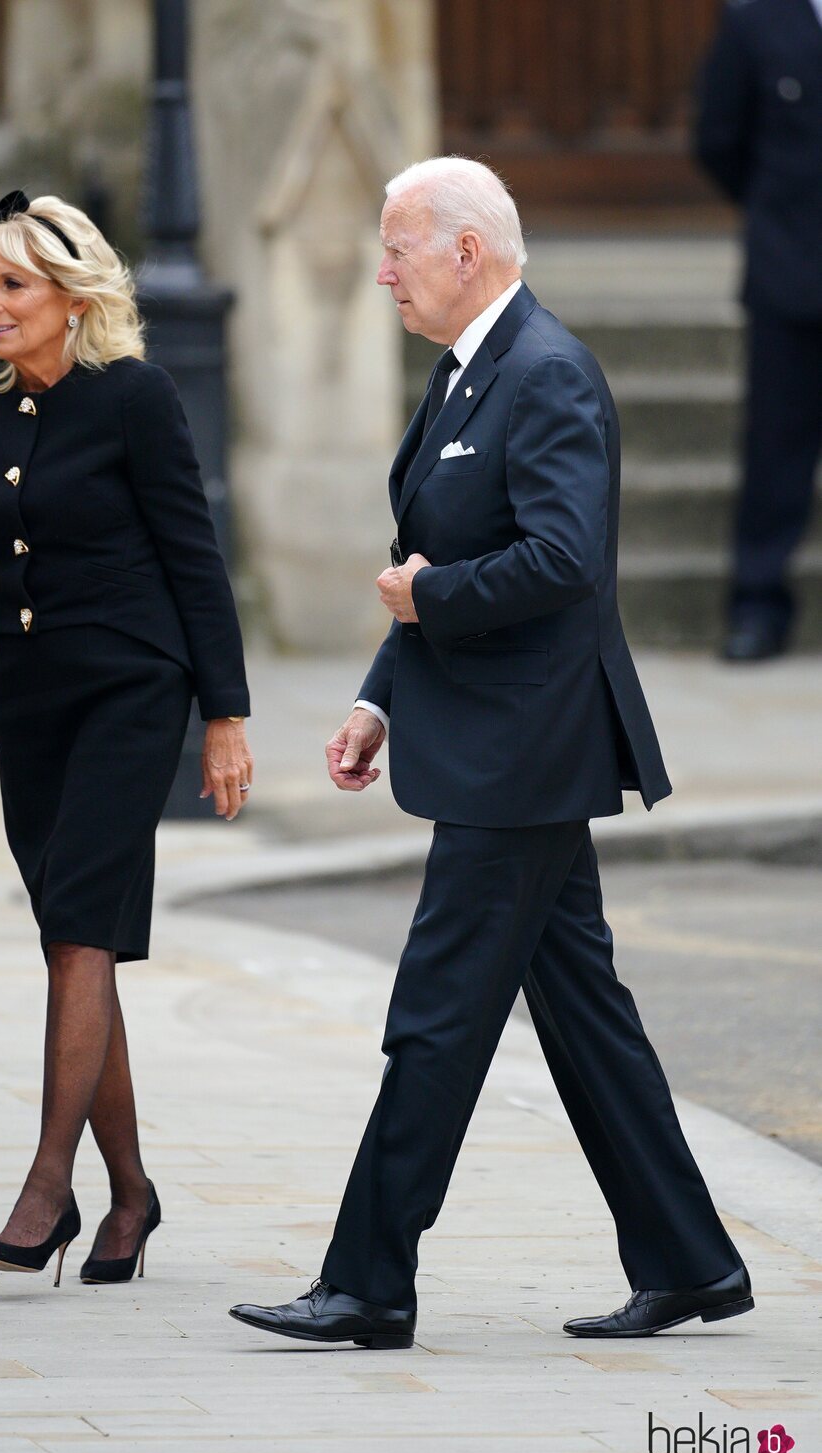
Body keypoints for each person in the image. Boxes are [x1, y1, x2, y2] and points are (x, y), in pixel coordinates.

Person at [230, 158, 752, 1349]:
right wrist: (380, 696)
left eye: (398, 248)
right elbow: (428, 558)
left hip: (525, 749)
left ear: (465, 251)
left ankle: (368, 1283)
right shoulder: (468, 372)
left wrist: (425, 608)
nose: (381, 271)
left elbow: (562, 561)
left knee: (433, 1018)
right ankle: (691, 1259)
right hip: (495, 738)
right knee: (581, 1015)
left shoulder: (549, 372)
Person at [0, 190, 252, 1288]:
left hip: (134, 691)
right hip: (31, 705)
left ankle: (50, 1187)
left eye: (13, 286)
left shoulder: (134, 398)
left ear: (71, 296)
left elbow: (196, 557)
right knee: (69, 943)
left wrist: (222, 718)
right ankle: (132, 1195)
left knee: (83, 928)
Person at [695, 0, 822, 660]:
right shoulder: (755, 22)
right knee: (776, 450)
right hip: (790, 274)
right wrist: (783, 215)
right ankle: (757, 605)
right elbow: (718, 139)